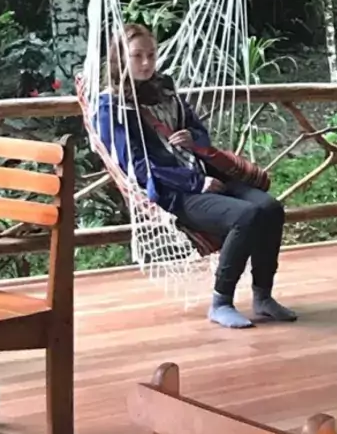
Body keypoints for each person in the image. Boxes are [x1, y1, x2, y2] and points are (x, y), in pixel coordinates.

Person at [96, 23, 296, 329]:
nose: (147, 62)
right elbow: (137, 166)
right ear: (120, 58)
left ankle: (263, 296)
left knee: (270, 208)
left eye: (151, 54)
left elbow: (200, 132)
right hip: (176, 194)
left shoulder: (165, 90)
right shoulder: (112, 106)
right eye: (137, 56)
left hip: (206, 177)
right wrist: (195, 183)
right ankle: (221, 302)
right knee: (246, 216)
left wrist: (193, 137)